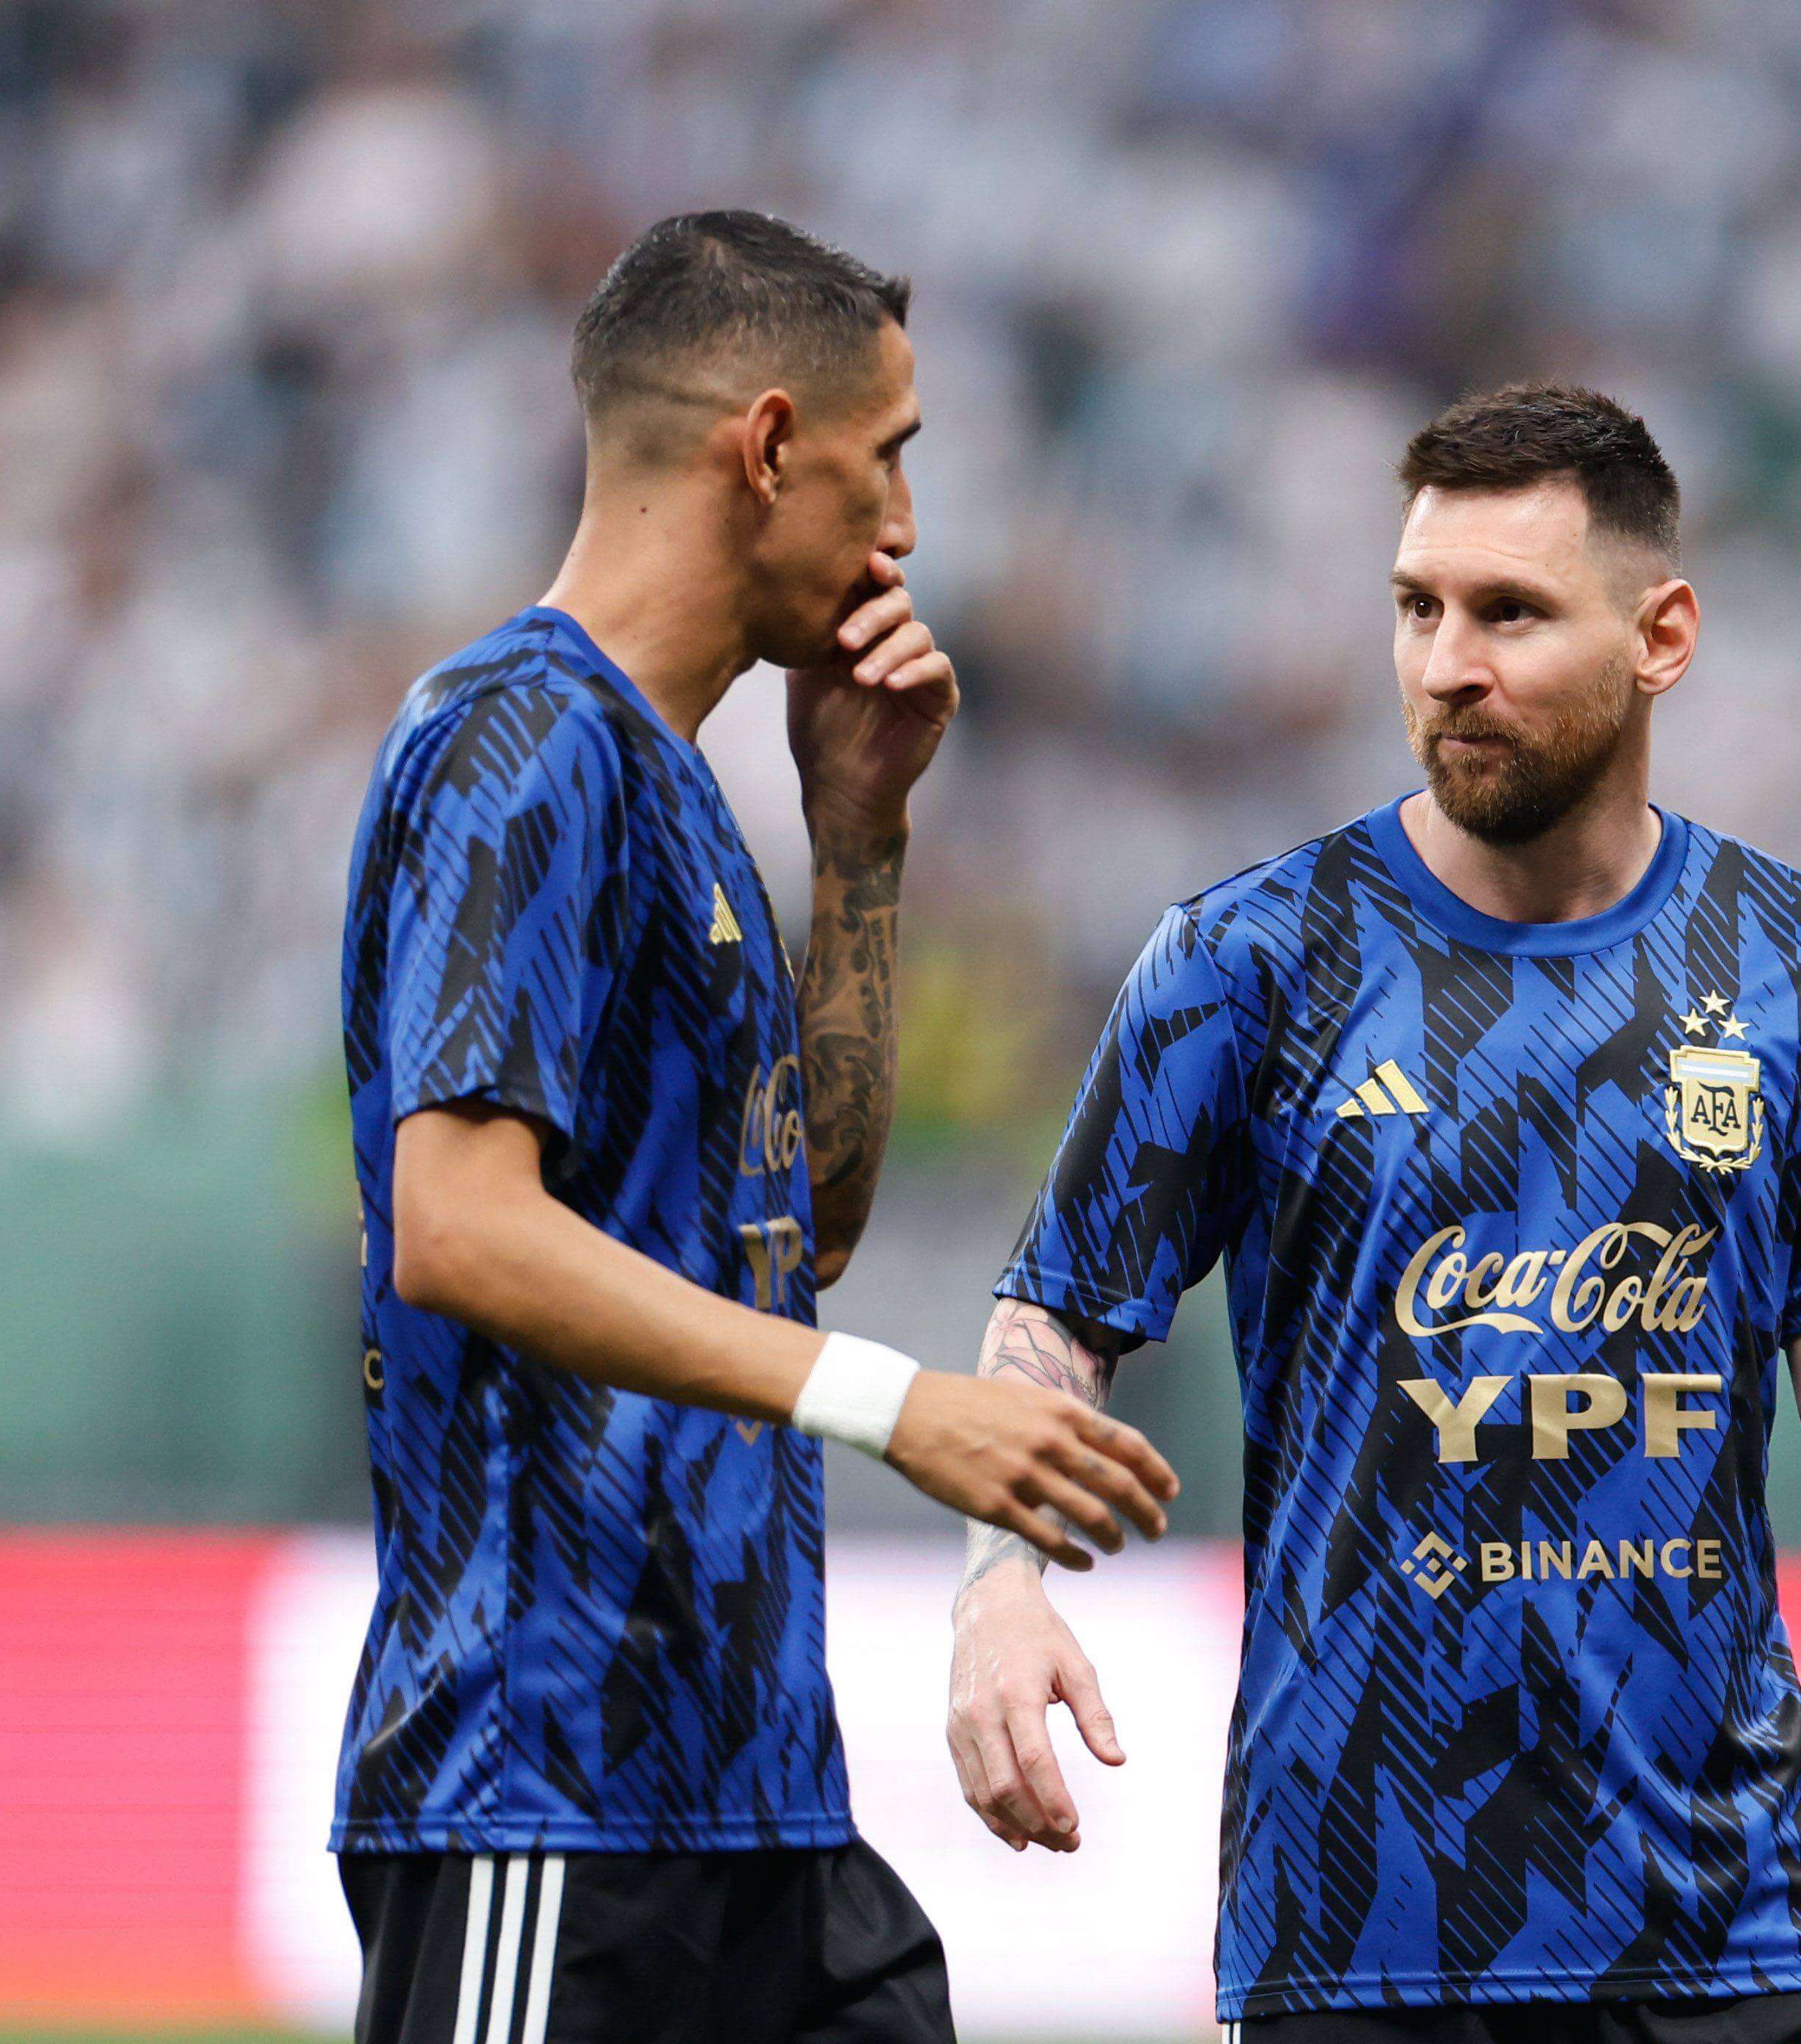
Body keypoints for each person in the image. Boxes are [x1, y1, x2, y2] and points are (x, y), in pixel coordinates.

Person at [945, 383, 1801, 2044]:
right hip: (1361, 1923)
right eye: (1418, 609)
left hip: (1728, 1925)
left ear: (1662, 638)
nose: (1448, 664)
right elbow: (1059, 1310)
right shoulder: (1249, 961)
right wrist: (1000, 1583)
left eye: (1509, 613)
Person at [335, 210, 1179, 2044]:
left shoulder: (682, 787)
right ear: (772, 445)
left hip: (750, 1791)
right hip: (544, 1787)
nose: (907, 527)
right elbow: (458, 1225)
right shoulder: (518, 740)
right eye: (890, 458)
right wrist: (899, 1406)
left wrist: (858, 843)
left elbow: (802, 1232)